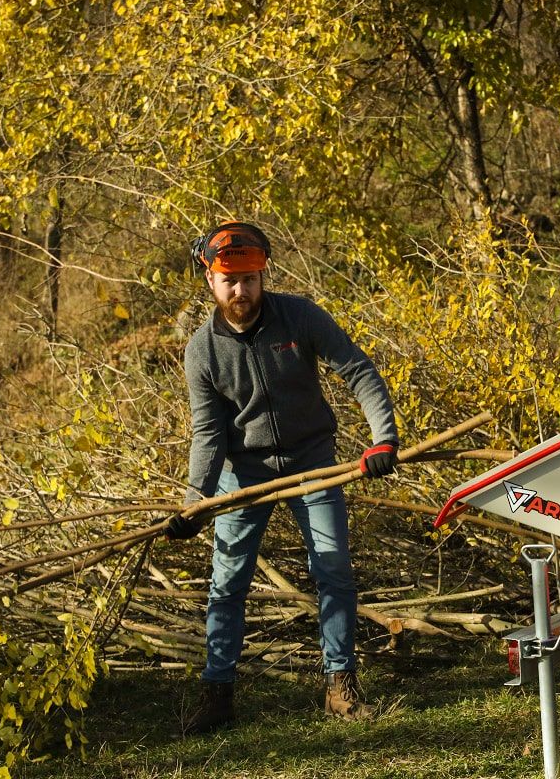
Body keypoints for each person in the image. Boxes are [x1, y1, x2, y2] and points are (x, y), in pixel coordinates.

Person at [164, 220, 398, 735]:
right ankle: (218, 693)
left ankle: (340, 684)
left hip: (313, 461)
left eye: (250, 278)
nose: (241, 290)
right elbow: (208, 434)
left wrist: (383, 440)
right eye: (230, 280)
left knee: (333, 568)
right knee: (227, 583)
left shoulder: (299, 316)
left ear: (262, 275)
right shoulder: (201, 350)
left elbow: (358, 370)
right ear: (210, 279)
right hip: (242, 474)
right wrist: (195, 504)